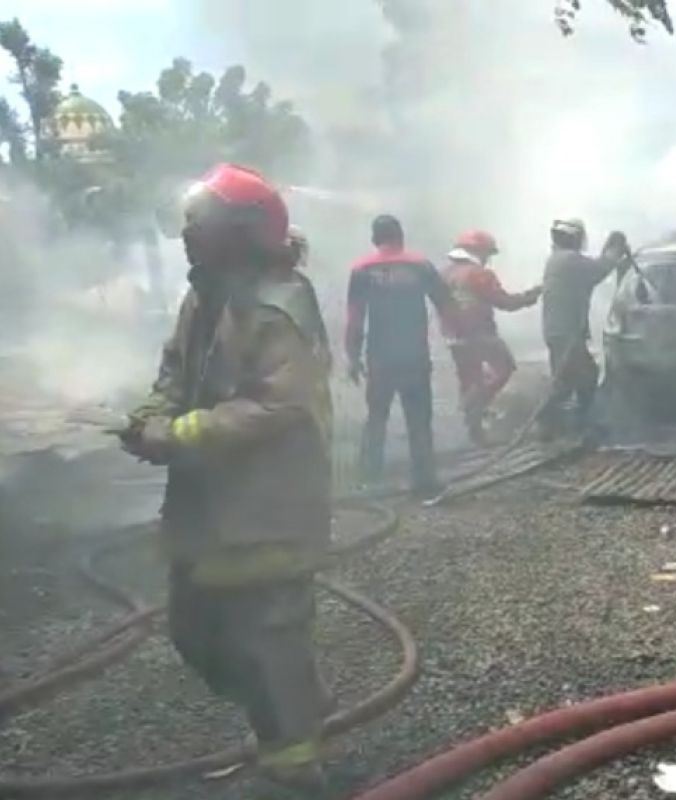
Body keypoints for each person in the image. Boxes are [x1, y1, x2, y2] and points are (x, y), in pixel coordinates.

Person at [118, 164, 335, 795]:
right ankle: (300, 700)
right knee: (196, 633)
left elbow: (279, 406)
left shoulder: (279, 305)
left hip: (269, 504)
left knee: (269, 638)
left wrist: (178, 435)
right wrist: (152, 415)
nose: (185, 235)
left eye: (199, 224)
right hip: (207, 504)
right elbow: (174, 372)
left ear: (242, 234)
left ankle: (294, 768)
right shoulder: (202, 295)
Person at [346, 214, 457, 497]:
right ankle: (424, 481)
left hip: (379, 357)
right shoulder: (419, 265)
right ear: (401, 236)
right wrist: (453, 336)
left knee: (376, 417)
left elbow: (355, 319)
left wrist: (352, 356)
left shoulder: (361, 270)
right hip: (414, 355)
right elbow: (446, 303)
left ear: (374, 238)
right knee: (419, 418)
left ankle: (369, 480)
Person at [439, 229, 542, 446]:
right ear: (478, 251)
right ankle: (475, 406)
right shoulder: (480, 275)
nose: (487, 259)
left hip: (454, 336)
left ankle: (474, 430)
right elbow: (504, 302)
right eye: (487, 254)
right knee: (504, 368)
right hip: (480, 334)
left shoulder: (445, 273)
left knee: (469, 378)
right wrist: (532, 296)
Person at [538, 218, 632, 438]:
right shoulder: (569, 260)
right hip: (566, 332)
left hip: (559, 330)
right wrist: (614, 247)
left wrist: (610, 251)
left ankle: (561, 424)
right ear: (576, 238)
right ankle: (562, 422)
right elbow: (599, 269)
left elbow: (593, 269)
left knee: (568, 378)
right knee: (584, 376)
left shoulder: (559, 259)